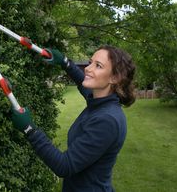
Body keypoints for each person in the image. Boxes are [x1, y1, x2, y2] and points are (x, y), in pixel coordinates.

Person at [11, 45, 136, 192]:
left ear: (114, 78)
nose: (88, 68)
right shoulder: (100, 100)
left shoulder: (107, 120)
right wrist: (65, 62)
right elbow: (82, 83)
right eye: (90, 62)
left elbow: (65, 166)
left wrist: (29, 129)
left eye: (98, 66)